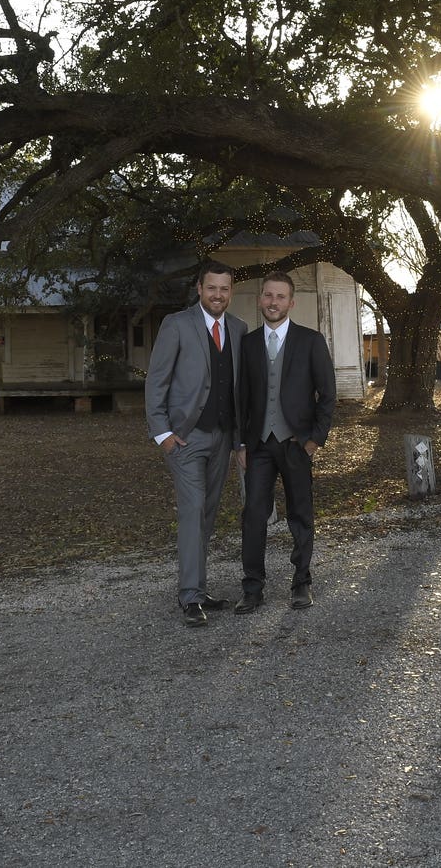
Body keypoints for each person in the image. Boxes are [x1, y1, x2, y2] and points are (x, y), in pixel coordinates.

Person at [145, 259, 248, 627]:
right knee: (191, 511)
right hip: (185, 438)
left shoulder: (239, 328)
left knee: (207, 513)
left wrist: (240, 441)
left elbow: (240, 390)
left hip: (224, 438)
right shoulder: (176, 325)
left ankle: (199, 589)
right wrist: (164, 434)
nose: (218, 295)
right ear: (199, 289)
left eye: (224, 288)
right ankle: (189, 596)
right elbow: (156, 382)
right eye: (211, 288)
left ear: (230, 292)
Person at [234, 271, 335, 613]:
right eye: (268, 296)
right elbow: (241, 399)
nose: (273, 302)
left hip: (296, 444)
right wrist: (241, 444)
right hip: (259, 445)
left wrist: (314, 440)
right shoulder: (247, 344)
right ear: (261, 300)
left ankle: (302, 582)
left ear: (291, 302)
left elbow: (328, 394)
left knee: (300, 514)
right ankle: (252, 588)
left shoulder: (311, 340)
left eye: (280, 297)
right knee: (253, 515)